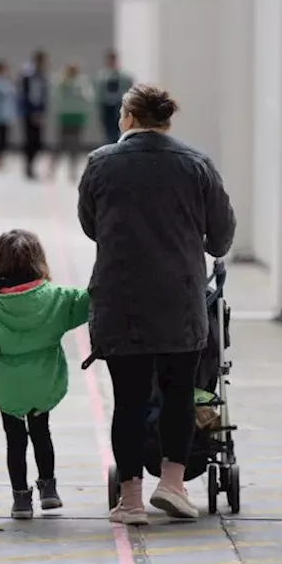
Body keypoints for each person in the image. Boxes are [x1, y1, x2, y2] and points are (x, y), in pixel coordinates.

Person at [78, 85, 235, 525]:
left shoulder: (100, 163)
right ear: (166, 119)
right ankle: (173, 484)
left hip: (120, 298)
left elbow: (91, 225)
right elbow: (221, 235)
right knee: (178, 393)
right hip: (179, 299)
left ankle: (129, 500)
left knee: (128, 400)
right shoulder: (196, 164)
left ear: (127, 116)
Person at [0, 230, 89, 520]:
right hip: (44, 384)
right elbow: (87, 302)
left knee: (15, 441)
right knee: (42, 433)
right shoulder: (57, 299)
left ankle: (20, 498)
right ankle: (49, 490)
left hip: (9, 389)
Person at [50, 63, 93, 182]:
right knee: (61, 143)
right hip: (65, 115)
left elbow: (88, 97)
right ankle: (52, 168)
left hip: (77, 115)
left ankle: (72, 170)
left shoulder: (82, 82)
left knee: (75, 144)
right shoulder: (61, 81)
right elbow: (56, 96)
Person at [18, 49, 49, 179]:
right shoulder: (28, 75)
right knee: (30, 140)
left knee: (38, 141)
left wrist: (42, 112)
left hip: (39, 112)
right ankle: (28, 167)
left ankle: (32, 165)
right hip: (29, 113)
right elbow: (25, 95)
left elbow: (44, 96)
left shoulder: (42, 76)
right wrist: (32, 112)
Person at [96, 51, 133, 146]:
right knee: (108, 129)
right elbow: (99, 92)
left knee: (118, 127)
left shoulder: (123, 76)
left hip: (118, 104)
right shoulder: (103, 75)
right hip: (106, 105)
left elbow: (128, 88)